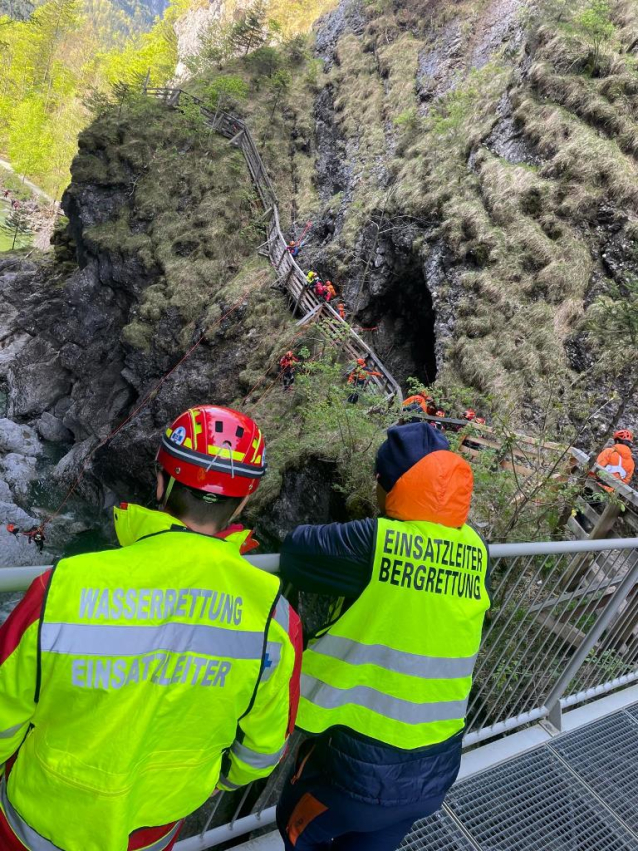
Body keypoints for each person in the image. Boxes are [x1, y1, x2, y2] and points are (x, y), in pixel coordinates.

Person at [0, 405, 302, 851]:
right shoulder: (274, 618)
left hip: (39, 819)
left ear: (161, 483)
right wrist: (221, 778)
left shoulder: (63, 586)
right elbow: (264, 747)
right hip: (153, 826)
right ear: (243, 501)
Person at [276, 423, 491, 851]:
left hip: (357, 775)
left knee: (295, 827)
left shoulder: (377, 541)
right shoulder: (476, 549)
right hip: (435, 771)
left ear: (389, 485)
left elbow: (298, 549)